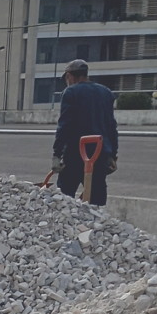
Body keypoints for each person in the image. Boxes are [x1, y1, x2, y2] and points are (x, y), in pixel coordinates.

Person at [52, 59, 118, 207]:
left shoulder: (70, 92)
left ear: (69, 75)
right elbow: (111, 126)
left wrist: (57, 154)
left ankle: (66, 226)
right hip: (99, 154)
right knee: (97, 200)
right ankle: (97, 226)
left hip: (75, 153)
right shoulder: (106, 92)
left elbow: (64, 125)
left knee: (64, 198)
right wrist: (113, 154)